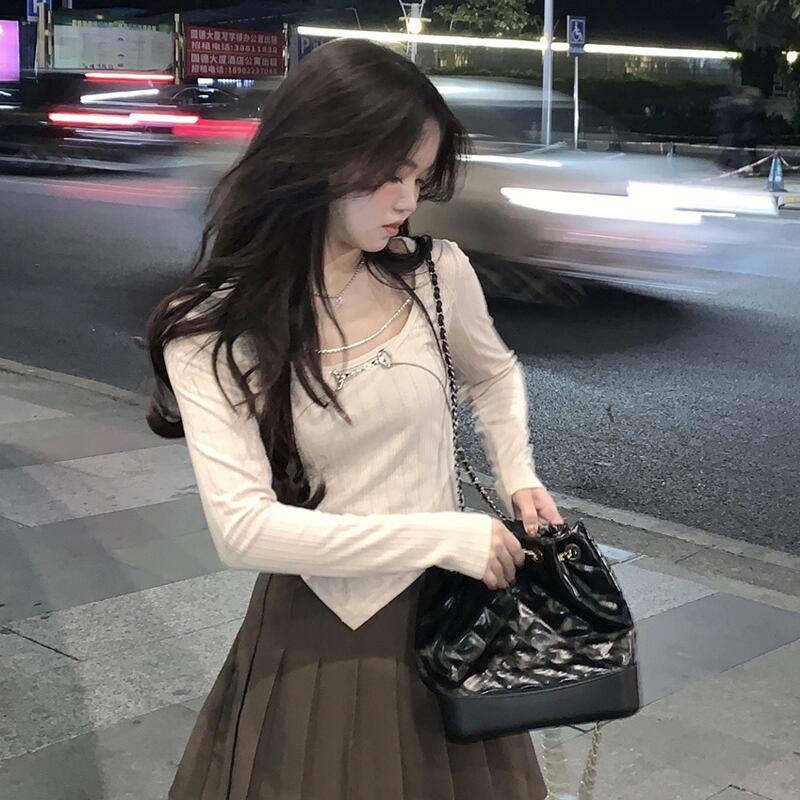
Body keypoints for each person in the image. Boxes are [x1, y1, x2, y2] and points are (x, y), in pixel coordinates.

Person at [146, 38, 563, 800]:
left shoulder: (436, 274)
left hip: (448, 623)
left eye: (418, 178)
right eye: (390, 174)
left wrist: (518, 474)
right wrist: (446, 535)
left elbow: (494, 373)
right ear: (317, 159)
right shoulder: (214, 327)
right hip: (316, 639)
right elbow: (243, 529)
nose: (407, 200)